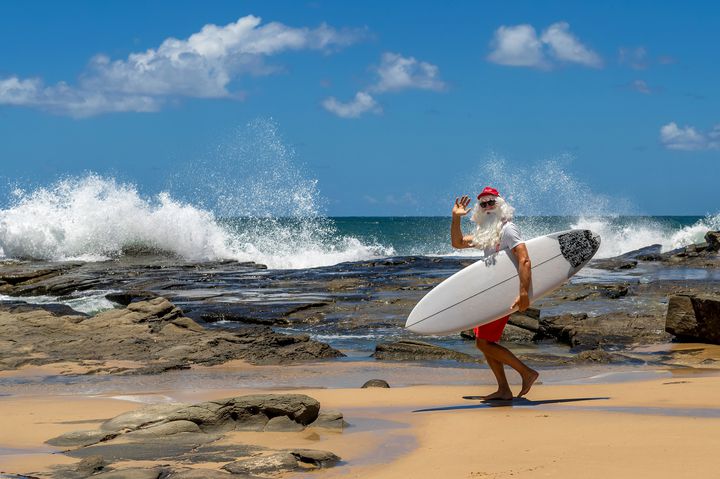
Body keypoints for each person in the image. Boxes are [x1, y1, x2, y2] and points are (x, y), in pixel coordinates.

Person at [451, 186, 539, 399]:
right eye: (483, 204)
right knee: (485, 342)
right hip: (491, 292)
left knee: (483, 343)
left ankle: (526, 373)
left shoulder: (508, 229)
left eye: (492, 202)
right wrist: (456, 218)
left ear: (500, 205)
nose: (488, 207)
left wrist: (524, 293)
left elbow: (524, 259)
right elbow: (458, 243)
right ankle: (504, 390)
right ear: (479, 209)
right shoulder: (487, 232)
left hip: (505, 293)